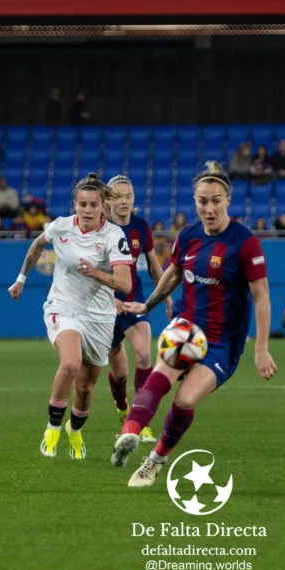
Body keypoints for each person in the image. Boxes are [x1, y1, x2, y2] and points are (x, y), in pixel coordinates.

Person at [112, 162, 277, 487]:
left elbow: (262, 297)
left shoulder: (246, 243)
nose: (209, 208)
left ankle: (155, 461)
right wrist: (148, 305)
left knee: (185, 399)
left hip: (223, 342)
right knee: (159, 377)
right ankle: (128, 435)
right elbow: (172, 276)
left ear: (228, 199)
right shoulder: (188, 236)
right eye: (203, 201)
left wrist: (261, 348)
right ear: (195, 201)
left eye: (216, 200)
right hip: (187, 327)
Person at [7, 174, 132, 460]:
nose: (87, 210)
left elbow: (124, 284)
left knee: (86, 387)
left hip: (100, 316)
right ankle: (51, 429)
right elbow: (38, 245)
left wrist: (96, 273)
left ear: (103, 206)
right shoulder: (60, 226)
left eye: (93, 205)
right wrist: (21, 279)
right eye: (82, 204)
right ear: (74, 205)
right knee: (71, 363)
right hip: (63, 307)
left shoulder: (114, 236)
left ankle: (74, 432)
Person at [105, 175, 173, 444]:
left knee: (145, 356)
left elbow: (155, 267)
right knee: (119, 374)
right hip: (105, 305)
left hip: (134, 300)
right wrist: (109, 299)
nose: (124, 201)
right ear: (108, 199)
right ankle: (122, 406)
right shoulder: (99, 228)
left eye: (128, 196)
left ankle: (140, 422)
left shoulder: (141, 227)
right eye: (118, 196)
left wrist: (165, 298)